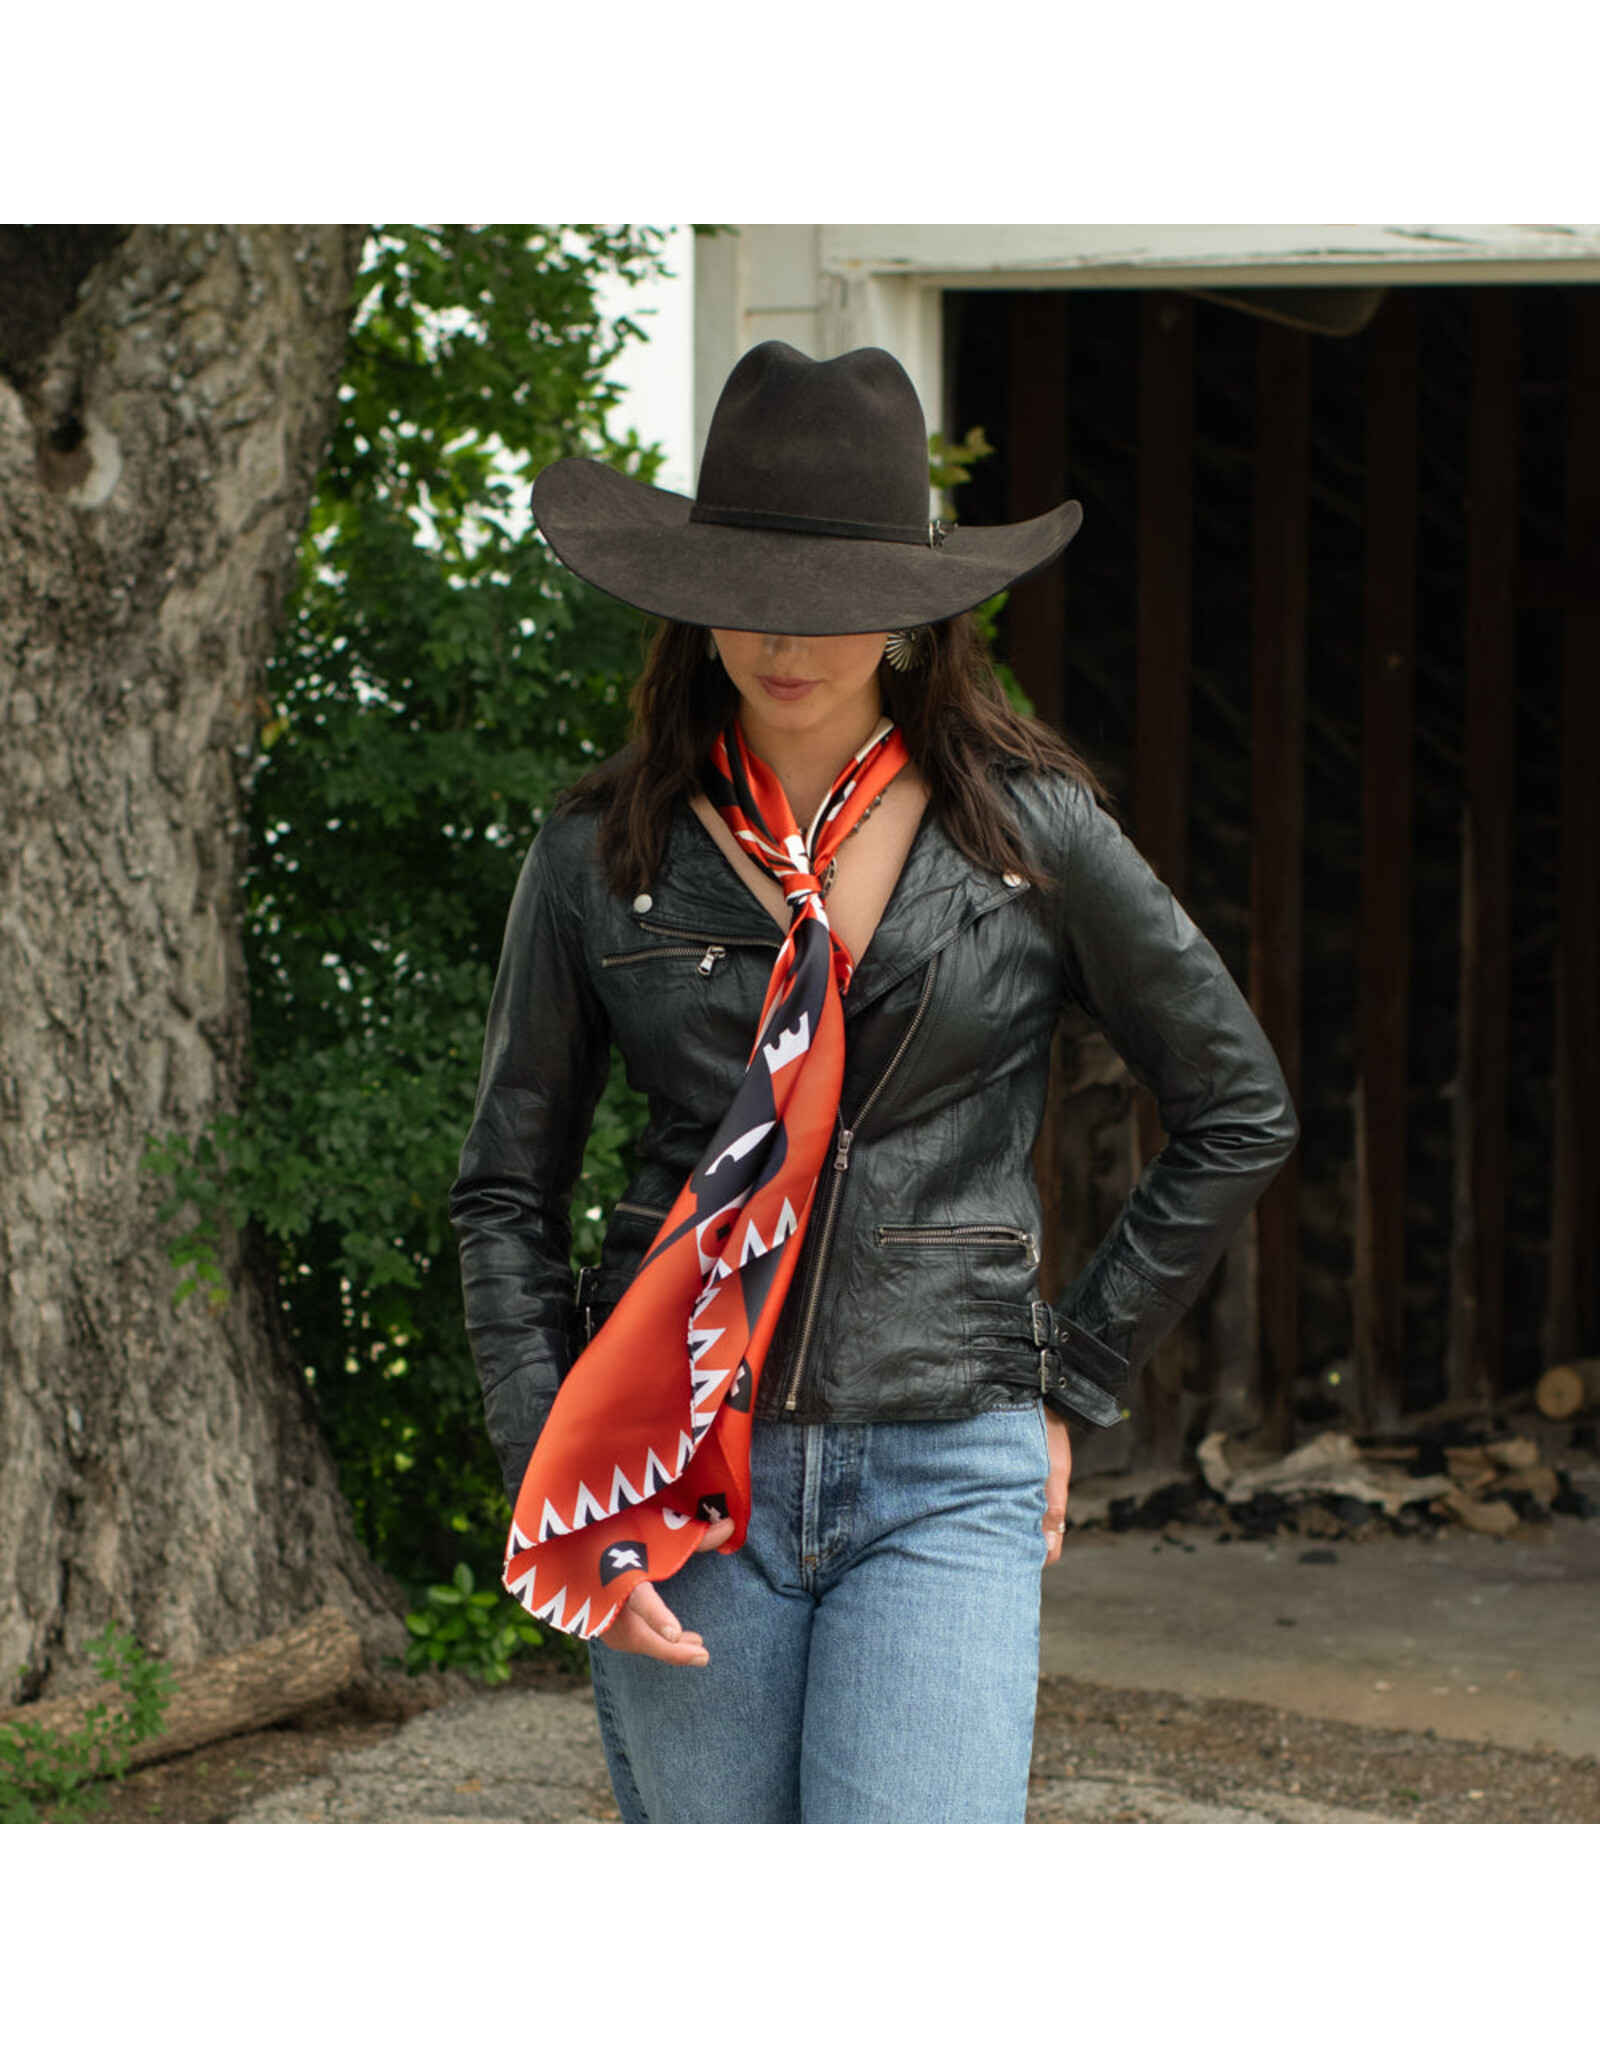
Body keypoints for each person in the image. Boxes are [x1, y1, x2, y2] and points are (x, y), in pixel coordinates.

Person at [450, 340, 1296, 1825]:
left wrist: (1076, 1379)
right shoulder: (595, 859)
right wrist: (558, 1473)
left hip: (946, 1462)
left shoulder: (1032, 837)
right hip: (669, 1458)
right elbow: (504, 1188)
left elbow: (1238, 1109)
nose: (790, 639)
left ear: (911, 611)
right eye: (757, 592)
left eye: (834, 599)